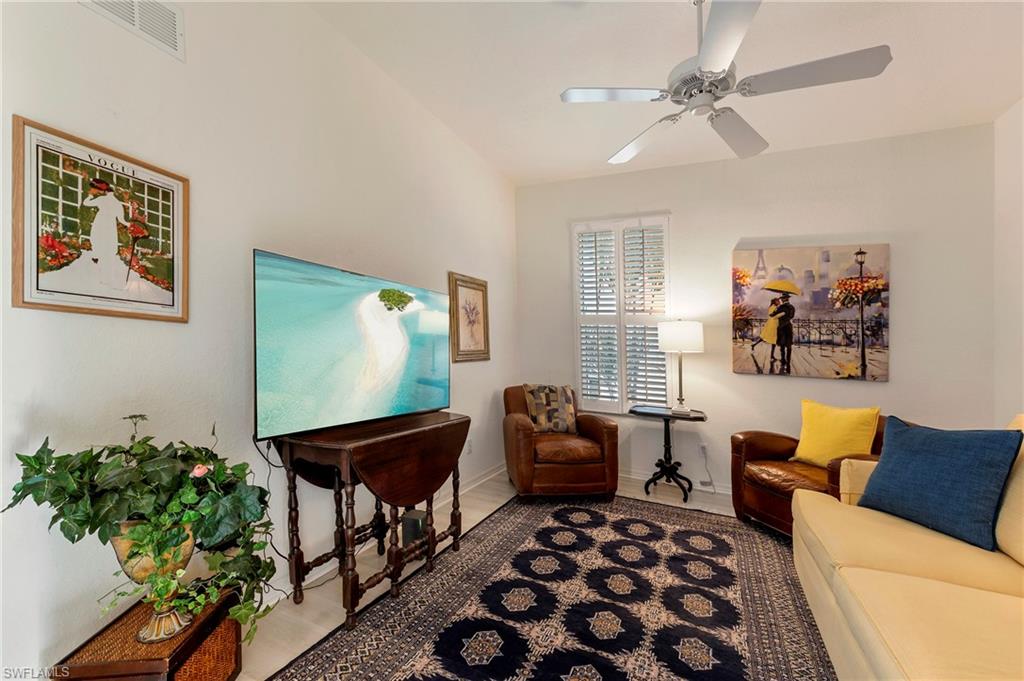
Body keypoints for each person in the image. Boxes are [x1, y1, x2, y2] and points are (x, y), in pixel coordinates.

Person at [82, 179, 130, 289]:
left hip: (100, 223)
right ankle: (106, 278)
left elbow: (86, 203)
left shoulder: (102, 199)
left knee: (97, 241)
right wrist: (129, 225)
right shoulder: (118, 204)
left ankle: (97, 258)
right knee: (108, 251)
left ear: (105, 192)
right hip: (110, 226)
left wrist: (89, 196)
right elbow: (122, 220)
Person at [771, 293, 796, 373]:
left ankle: (783, 360)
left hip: (781, 327)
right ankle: (788, 361)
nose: (781, 300)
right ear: (788, 299)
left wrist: (777, 311)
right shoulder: (791, 307)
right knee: (788, 345)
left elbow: (772, 315)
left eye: (782, 298)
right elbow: (791, 316)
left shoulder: (780, 307)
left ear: (783, 299)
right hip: (788, 327)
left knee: (782, 345)